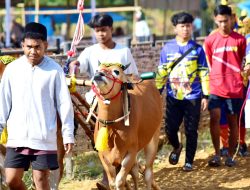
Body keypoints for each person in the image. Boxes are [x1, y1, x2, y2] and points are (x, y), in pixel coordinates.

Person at [0, 22, 74, 190]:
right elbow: (3, 101)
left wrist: (68, 134)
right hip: (17, 136)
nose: (33, 51)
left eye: (37, 47)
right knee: (11, 180)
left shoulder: (54, 71)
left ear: (46, 46)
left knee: (40, 180)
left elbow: (64, 104)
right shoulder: (12, 69)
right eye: (29, 47)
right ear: (22, 45)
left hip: (43, 137)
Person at [69, 14, 138, 189]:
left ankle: (121, 165)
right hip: (97, 99)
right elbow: (80, 65)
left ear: (111, 30)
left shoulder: (123, 51)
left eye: (104, 30)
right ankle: (109, 175)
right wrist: (74, 65)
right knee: (99, 133)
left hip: (121, 98)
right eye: (97, 31)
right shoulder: (90, 51)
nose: (101, 34)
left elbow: (133, 75)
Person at [155, 12, 209, 171]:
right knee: (170, 129)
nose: (186, 29)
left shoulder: (198, 49)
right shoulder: (167, 49)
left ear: (192, 27)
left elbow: (204, 72)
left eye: (188, 26)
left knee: (191, 129)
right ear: (175, 28)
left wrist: (206, 95)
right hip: (173, 96)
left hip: (193, 96)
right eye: (182, 26)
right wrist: (157, 91)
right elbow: (162, 71)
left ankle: (189, 161)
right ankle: (177, 147)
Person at [204, 4, 247, 167]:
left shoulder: (240, 40)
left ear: (232, 19)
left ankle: (230, 154)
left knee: (233, 121)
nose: (223, 24)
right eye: (220, 21)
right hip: (215, 87)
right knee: (214, 118)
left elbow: (244, 61)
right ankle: (216, 154)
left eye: (226, 20)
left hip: (235, 88)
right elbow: (209, 61)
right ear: (215, 20)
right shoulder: (210, 40)